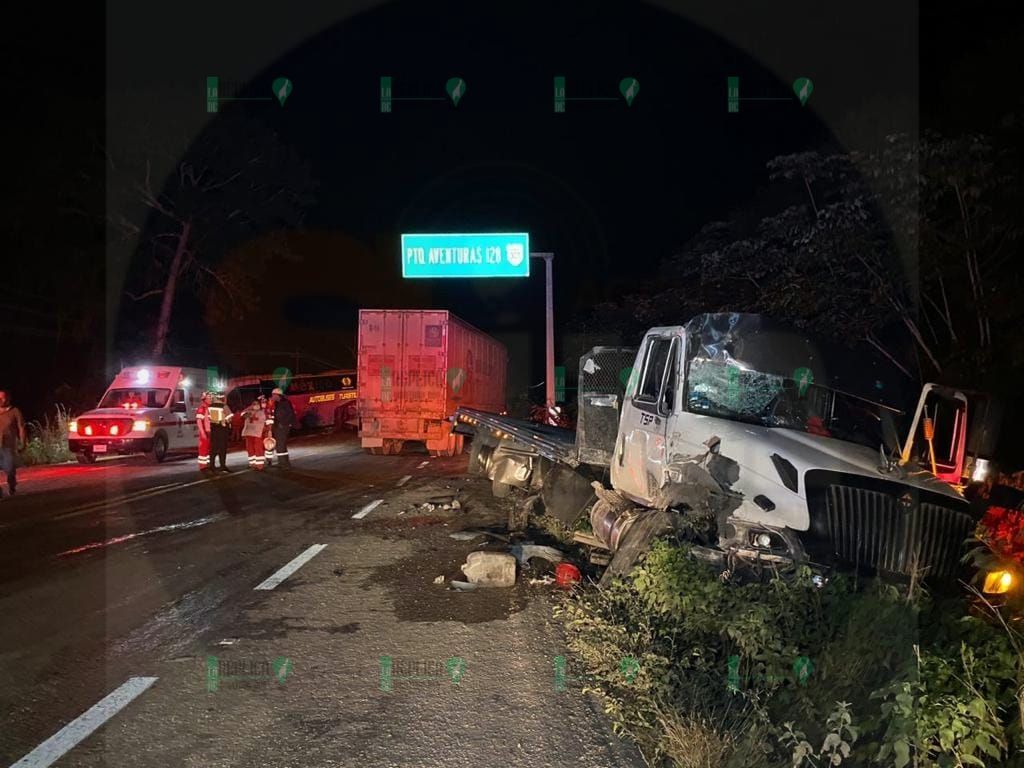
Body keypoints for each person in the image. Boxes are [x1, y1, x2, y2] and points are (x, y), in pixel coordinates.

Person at [0, 390, 26, 499]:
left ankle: (12, 485)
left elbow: (21, 427)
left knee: (9, 468)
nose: (0, 400)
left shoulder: (14, 411)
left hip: (8, 445)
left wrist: (23, 442)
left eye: (3, 397)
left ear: (8, 398)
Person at [270, 387, 295, 469]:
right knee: (280, 445)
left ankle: (284, 463)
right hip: (278, 427)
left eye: (273, 395)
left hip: (282, 427)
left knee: (281, 445)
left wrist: (283, 423)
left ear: (278, 395)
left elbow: (290, 415)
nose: (272, 397)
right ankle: (283, 462)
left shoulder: (285, 403)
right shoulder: (278, 403)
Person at [208, 392, 233, 473]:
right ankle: (222, 466)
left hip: (214, 428)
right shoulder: (224, 406)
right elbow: (229, 418)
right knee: (222, 448)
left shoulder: (210, 406)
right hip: (222, 429)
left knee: (213, 448)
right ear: (223, 398)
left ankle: (211, 466)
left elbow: (209, 417)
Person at [242, 395, 268, 471]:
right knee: (250, 449)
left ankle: (259, 465)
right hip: (249, 433)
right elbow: (242, 414)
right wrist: (250, 408)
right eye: (253, 404)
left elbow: (263, 421)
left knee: (258, 449)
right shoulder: (248, 412)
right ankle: (252, 463)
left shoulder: (261, 413)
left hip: (257, 433)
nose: (255, 405)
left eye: (256, 404)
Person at [196, 392, 213, 472]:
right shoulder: (202, 408)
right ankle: (203, 466)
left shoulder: (209, 408)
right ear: (204, 399)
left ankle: (207, 464)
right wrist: (202, 432)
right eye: (209, 398)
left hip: (210, 431)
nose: (211, 399)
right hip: (205, 431)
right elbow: (199, 421)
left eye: (211, 398)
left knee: (208, 449)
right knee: (203, 449)